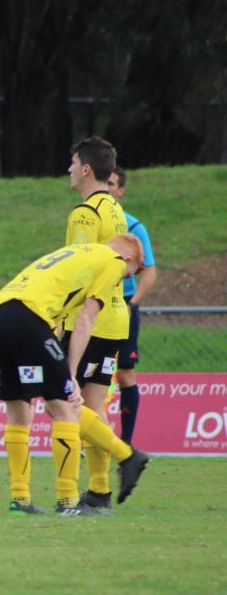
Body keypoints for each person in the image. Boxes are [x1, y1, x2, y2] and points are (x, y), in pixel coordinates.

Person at [0, 236, 151, 516]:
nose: (122, 280)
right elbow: (86, 317)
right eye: (128, 276)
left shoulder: (77, 254)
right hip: (28, 318)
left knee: (19, 411)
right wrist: (68, 373)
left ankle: (20, 500)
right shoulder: (112, 261)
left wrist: (61, 370)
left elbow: (60, 317)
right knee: (65, 407)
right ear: (128, 260)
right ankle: (69, 501)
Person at [64, 137, 132, 511]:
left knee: (66, 403)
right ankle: (100, 491)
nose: (70, 169)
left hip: (91, 318)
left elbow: (78, 269)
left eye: (73, 163)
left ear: (87, 168)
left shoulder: (84, 214)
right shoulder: (117, 210)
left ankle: (124, 458)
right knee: (92, 405)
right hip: (116, 316)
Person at [107, 166, 158, 444]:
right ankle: (90, 438)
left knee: (125, 373)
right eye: (104, 182)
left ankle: (125, 444)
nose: (107, 187)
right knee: (86, 372)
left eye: (112, 183)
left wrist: (133, 304)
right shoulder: (91, 221)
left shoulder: (134, 227)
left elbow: (149, 270)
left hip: (123, 303)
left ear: (121, 191)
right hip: (96, 302)